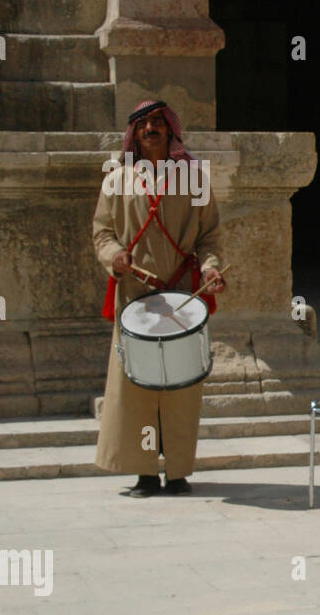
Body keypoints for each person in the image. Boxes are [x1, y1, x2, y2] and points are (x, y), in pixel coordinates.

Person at [93, 100, 225, 498]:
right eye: (142, 123)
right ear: (133, 133)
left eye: (157, 122)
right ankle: (145, 473)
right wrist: (113, 257)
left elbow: (210, 236)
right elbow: (101, 232)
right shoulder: (117, 179)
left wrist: (210, 268)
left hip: (182, 294)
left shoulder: (194, 177)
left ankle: (179, 472)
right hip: (134, 294)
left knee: (180, 387)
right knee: (136, 388)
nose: (150, 128)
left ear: (170, 130)